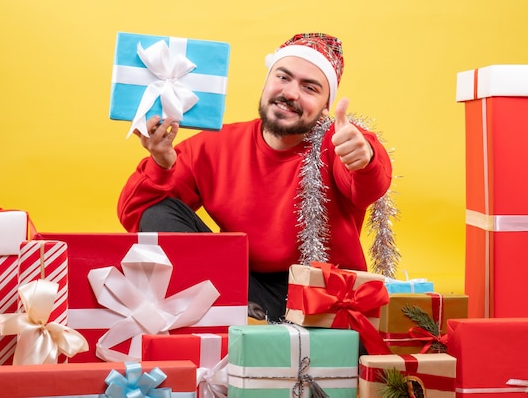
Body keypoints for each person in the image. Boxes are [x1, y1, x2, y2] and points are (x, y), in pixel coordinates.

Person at [117, 32, 393, 322]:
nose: (290, 93)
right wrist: (161, 164)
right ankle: (237, 315)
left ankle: (243, 321)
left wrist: (364, 159)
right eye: (283, 78)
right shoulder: (217, 145)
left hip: (322, 297)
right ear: (266, 83)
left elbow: (368, 186)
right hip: (241, 285)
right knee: (159, 212)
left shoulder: (338, 142)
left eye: (310, 88)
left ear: (326, 107)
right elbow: (137, 215)